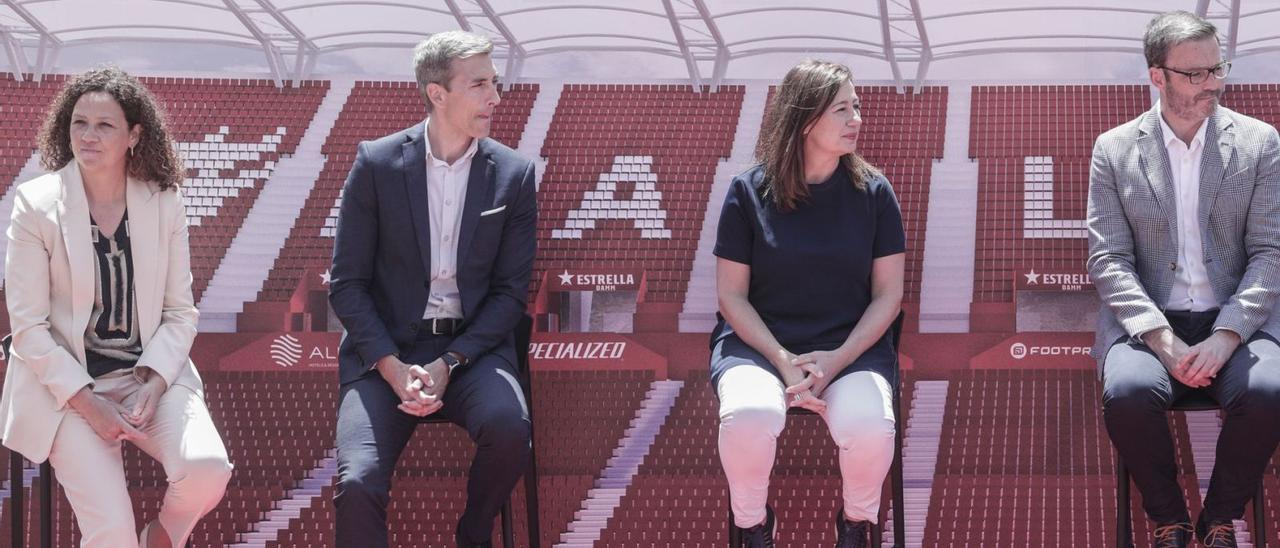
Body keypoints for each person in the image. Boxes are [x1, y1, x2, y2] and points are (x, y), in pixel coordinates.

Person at [0, 66, 232, 548]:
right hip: (67, 391)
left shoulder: (164, 200)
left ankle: (164, 536)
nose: (88, 135)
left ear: (134, 134)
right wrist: (89, 403)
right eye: (79, 122)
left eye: (104, 125)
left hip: (147, 377)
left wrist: (153, 380)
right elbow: (28, 329)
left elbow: (179, 313)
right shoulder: (36, 204)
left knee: (207, 469)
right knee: (110, 534)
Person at [330, 30, 537, 548]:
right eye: (480, 84)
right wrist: (392, 367)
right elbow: (347, 284)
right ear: (436, 93)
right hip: (385, 356)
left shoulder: (513, 174)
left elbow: (511, 294)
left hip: (472, 352)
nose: (496, 96)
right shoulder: (376, 164)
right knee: (357, 482)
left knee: (510, 430)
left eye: (495, 82)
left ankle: (473, 535)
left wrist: (450, 363)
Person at [1087, 10, 1280, 548]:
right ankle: (1168, 521)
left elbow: (1271, 251)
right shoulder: (1115, 149)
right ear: (1158, 76)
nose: (1212, 83)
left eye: (1217, 69)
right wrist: (1160, 338)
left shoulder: (1260, 142)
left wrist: (1228, 334)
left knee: (1269, 390)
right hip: (1149, 326)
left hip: (1240, 321)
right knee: (1126, 393)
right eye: (1195, 73)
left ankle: (1219, 519)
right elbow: (1108, 260)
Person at [711, 59, 905, 548]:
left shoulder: (874, 193)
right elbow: (731, 295)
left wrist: (836, 360)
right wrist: (782, 360)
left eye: (856, 106)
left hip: (850, 350)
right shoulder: (747, 191)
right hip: (759, 347)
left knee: (869, 425)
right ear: (804, 117)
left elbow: (889, 296)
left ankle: (857, 524)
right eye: (842, 108)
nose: (857, 117)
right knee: (750, 415)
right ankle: (754, 525)